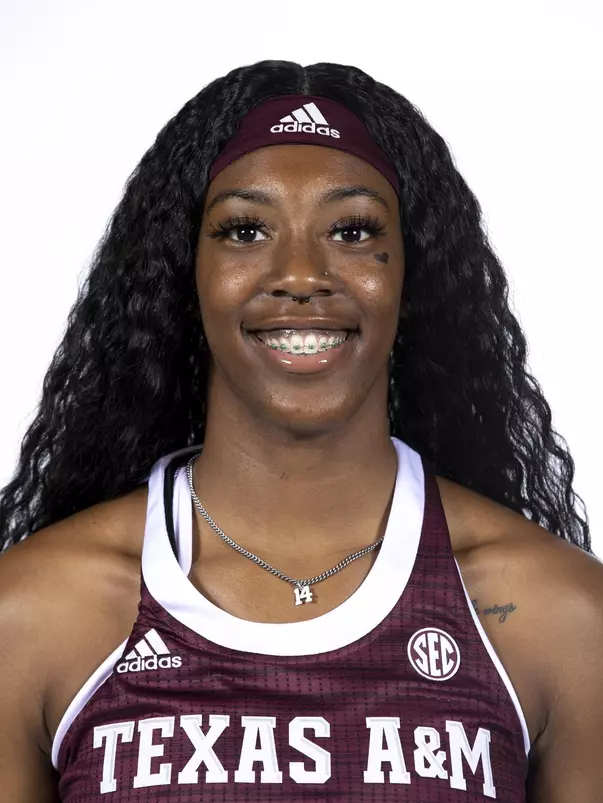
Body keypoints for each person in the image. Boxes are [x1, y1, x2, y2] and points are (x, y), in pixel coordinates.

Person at [0, 59, 601, 803]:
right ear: (182, 274)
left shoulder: (556, 616)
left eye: (351, 230)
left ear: (414, 275)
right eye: (244, 229)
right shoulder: (32, 613)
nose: (299, 273)